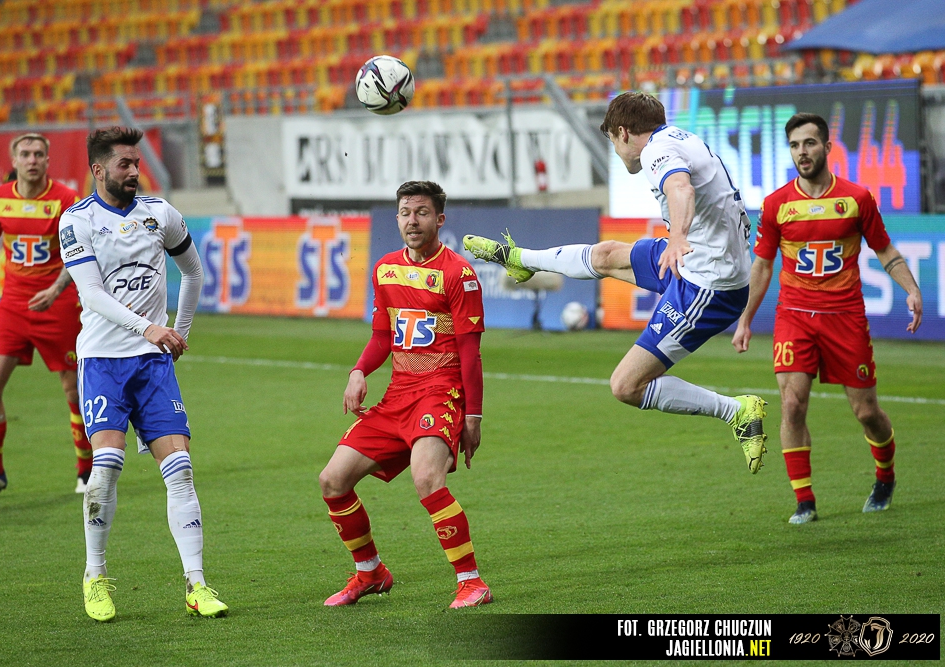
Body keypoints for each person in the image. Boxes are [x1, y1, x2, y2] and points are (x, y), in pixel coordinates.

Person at [464, 91, 767, 473]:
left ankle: (737, 411)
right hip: (700, 261)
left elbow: (681, 189)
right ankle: (521, 260)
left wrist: (677, 237)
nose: (616, 150)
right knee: (607, 255)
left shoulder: (656, 152)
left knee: (626, 385)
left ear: (623, 133)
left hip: (708, 285)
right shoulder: (679, 139)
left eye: (611, 140)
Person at [59, 126, 226, 621]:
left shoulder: (160, 214)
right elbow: (92, 295)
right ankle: (94, 576)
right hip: (103, 361)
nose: (135, 171)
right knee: (106, 467)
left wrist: (179, 333)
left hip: (153, 365)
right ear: (98, 169)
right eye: (125, 164)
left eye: (137, 163)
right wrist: (149, 327)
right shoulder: (78, 220)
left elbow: (193, 271)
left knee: (181, 470)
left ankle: (197, 584)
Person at [732, 112, 922, 524]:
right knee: (792, 403)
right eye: (795, 145)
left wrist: (911, 288)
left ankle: (885, 476)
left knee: (866, 412)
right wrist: (746, 318)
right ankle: (805, 500)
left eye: (809, 143)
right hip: (794, 316)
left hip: (845, 317)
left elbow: (885, 250)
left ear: (827, 147)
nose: (802, 152)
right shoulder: (777, 204)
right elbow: (762, 265)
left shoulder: (856, 198)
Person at [318, 180, 493, 609]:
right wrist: (358, 371)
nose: (412, 221)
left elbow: (470, 353)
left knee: (427, 478)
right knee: (332, 480)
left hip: (440, 392)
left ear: (439, 219)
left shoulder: (459, 275)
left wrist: (473, 417)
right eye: (405, 213)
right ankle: (370, 572)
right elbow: (382, 336)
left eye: (421, 213)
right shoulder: (385, 269)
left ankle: (471, 583)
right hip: (397, 395)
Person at [0, 132, 92, 500]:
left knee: (74, 389)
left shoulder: (66, 200)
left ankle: (86, 470)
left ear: (47, 160)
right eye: (26, 154)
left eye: (38, 154)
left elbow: (82, 249)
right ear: (14, 160)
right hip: (13, 305)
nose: (32, 160)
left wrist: (56, 289)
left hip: (60, 304)